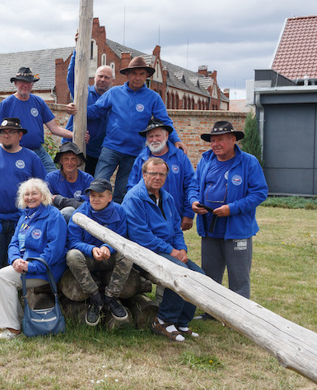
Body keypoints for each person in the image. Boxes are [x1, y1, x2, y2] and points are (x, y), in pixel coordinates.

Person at [83, 56, 187, 203]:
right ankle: (93, 214)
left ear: (146, 76)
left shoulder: (153, 97)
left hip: (134, 152)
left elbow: (165, 121)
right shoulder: (114, 92)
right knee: (98, 184)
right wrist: (78, 109)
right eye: (134, 73)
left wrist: (176, 140)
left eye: (141, 74)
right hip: (110, 148)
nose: (137, 77)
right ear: (127, 74)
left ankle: (118, 216)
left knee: (122, 191)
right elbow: (95, 110)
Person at [122, 157, 204, 342]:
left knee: (200, 276)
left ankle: (181, 322)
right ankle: (163, 321)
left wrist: (181, 249)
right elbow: (140, 235)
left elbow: (176, 229)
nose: (157, 178)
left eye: (162, 174)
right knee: (180, 273)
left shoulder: (167, 198)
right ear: (144, 174)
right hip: (145, 253)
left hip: (167, 251)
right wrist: (171, 250)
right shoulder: (134, 198)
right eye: (153, 173)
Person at [0, 118, 47, 315]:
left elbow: (42, 187)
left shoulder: (31, 157)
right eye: (2, 132)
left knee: (15, 263)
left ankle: (12, 301)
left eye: (11, 132)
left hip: (22, 221)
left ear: (20, 135)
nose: (6, 135)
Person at [190, 121, 268, 309]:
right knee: (209, 275)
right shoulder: (205, 161)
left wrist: (232, 208)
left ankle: (239, 314)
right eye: (213, 140)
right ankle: (211, 312)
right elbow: (194, 186)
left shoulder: (248, 162)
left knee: (239, 277)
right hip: (210, 228)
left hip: (237, 230)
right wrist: (193, 201)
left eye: (221, 140)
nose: (215, 144)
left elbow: (259, 193)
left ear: (233, 140)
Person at [0, 178, 67, 339]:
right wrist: (15, 260)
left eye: (34, 193)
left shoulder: (53, 216)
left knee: (3, 277)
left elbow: (54, 251)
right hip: (26, 265)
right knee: (1, 279)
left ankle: (13, 329)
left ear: (44, 196)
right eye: (26, 194)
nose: (30, 197)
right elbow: (14, 243)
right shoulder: (25, 216)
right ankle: (20, 321)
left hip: (46, 270)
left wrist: (31, 267)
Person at [66, 179, 132, 326]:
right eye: (92, 195)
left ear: (110, 197)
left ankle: (111, 297)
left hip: (109, 256)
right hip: (88, 258)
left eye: (100, 196)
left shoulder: (119, 211)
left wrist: (108, 247)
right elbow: (73, 241)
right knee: (72, 255)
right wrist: (91, 249)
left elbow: (121, 237)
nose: (95, 199)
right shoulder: (80, 213)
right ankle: (95, 297)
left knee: (127, 255)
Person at [0, 67, 74, 173]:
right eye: (22, 82)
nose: (25, 85)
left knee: (53, 176)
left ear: (32, 84)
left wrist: (74, 135)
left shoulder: (39, 102)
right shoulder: (7, 103)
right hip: (17, 151)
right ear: (15, 83)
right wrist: (8, 151)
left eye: (29, 82)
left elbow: (55, 128)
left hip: (39, 151)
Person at [127, 118, 195, 231]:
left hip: (173, 217)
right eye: (150, 136)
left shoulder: (180, 157)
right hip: (146, 218)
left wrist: (188, 213)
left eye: (157, 135)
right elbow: (131, 186)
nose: (154, 140)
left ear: (167, 135)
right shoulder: (140, 159)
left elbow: (191, 185)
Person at [63, 43, 114, 176]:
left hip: (96, 152)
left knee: (91, 184)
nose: (102, 79)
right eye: (100, 76)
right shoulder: (82, 93)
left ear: (112, 81)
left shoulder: (114, 99)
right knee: (69, 181)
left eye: (106, 77)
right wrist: (77, 49)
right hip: (73, 147)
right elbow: (72, 76)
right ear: (94, 77)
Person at [45, 141, 94, 221]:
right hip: (55, 219)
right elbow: (47, 204)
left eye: (73, 159)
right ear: (61, 161)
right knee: (67, 212)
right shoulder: (51, 178)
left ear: (78, 161)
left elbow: (89, 207)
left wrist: (61, 200)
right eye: (66, 159)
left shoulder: (87, 179)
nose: (69, 163)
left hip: (81, 219)